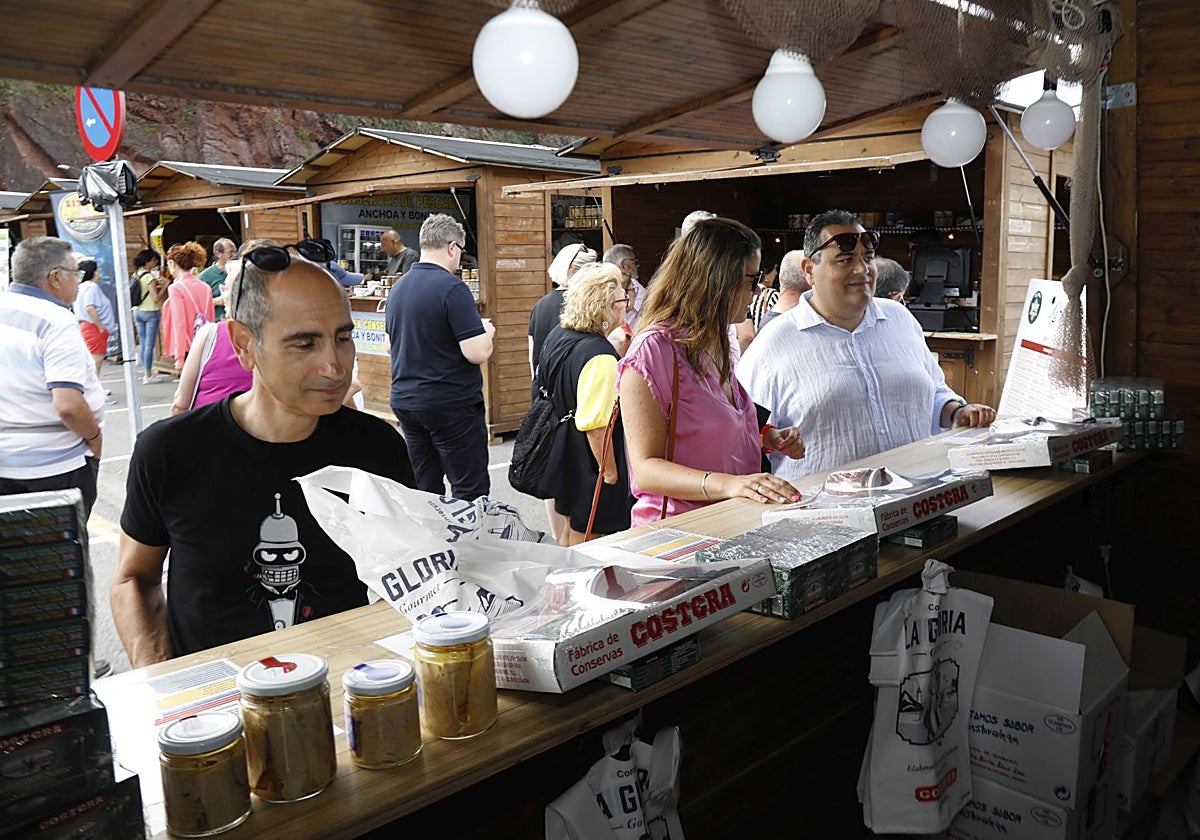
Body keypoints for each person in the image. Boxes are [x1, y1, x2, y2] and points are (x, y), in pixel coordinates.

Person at [111, 240, 416, 667]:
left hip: (346, 692)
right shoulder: (170, 451)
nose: (334, 366)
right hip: (217, 705)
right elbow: (134, 579)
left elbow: (412, 573)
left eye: (342, 337)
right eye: (304, 344)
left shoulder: (377, 448)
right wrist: (161, 682)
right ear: (243, 344)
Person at [738, 210, 996, 481]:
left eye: (868, 258)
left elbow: (932, 392)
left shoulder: (900, 319)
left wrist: (956, 412)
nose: (862, 269)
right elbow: (743, 439)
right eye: (846, 259)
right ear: (809, 270)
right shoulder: (772, 345)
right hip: (827, 515)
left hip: (919, 496)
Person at [618, 217, 805, 528]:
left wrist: (767, 436)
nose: (757, 289)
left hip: (728, 523)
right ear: (717, 280)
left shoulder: (712, 340)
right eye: (751, 278)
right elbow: (646, 469)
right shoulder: (655, 349)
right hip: (677, 535)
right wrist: (730, 484)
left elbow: (705, 430)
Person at [385, 213, 495, 501]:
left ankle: (431, 544)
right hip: (450, 403)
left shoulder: (398, 288)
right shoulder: (452, 288)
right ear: (451, 247)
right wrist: (486, 332)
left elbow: (389, 345)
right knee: (469, 489)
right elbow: (476, 352)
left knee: (425, 488)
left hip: (406, 401)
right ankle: (469, 545)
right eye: (460, 251)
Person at [0, 237, 105, 520]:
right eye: (76, 274)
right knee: (61, 556)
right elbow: (68, 405)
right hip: (53, 468)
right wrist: (94, 438)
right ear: (56, 278)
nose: (78, 282)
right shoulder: (56, 321)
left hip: (5, 464)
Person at [538, 263, 632, 544]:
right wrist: (611, 474)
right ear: (605, 306)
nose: (626, 303)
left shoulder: (559, 335)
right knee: (590, 539)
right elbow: (596, 425)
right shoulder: (600, 356)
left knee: (570, 531)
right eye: (621, 299)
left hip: (563, 452)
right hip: (591, 464)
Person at [170, 256, 254, 415]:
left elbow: (180, 404)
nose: (223, 295)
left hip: (208, 430)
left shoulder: (211, 334)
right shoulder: (274, 336)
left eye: (226, 288)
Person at [528, 243, 598, 380]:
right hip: (570, 385)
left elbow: (533, 354)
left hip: (542, 385)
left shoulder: (540, 304)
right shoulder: (582, 305)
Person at [161, 242, 216, 368]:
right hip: (206, 343)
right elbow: (211, 318)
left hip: (187, 346)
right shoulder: (205, 287)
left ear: (172, 264)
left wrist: (179, 357)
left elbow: (179, 323)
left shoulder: (176, 288)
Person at [72, 259, 118, 384]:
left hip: (87, 326)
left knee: (93, 361)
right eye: (97, 270)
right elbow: (90, 307)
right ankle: (94, 389)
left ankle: (93, 387)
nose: (99, 272)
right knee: (96, 361)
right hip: (93, 327)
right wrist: (100, 325)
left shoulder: (81, 287)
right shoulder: (91, 287)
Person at [131, 249, 169, 383]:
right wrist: (165, 285)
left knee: (142, 342)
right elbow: (156, 297)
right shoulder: (149, 277)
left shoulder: (137, 274)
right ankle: (148, 374)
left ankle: (145, 370)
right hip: (150, 312)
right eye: (155, 260)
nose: (156, 263)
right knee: (149, 344)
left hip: (137, 311)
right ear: (149, 261)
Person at [757, 249, 810, 332]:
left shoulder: (769, 322)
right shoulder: (796, 324)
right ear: (809, 274)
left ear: (781, 277)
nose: (775, 273)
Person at [603, 243, 644, 332]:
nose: (637, 266)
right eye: (634, 262)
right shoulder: (633, 284)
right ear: (623, 265)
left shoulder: (597, 286)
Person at [199, 238, 236, 320]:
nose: (234, 255)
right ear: (218, 254)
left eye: (235, 252)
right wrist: (219, 300)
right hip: (218, 323)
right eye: (230, 252)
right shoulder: (205, 276)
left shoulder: (239, 271)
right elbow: (198, 304)